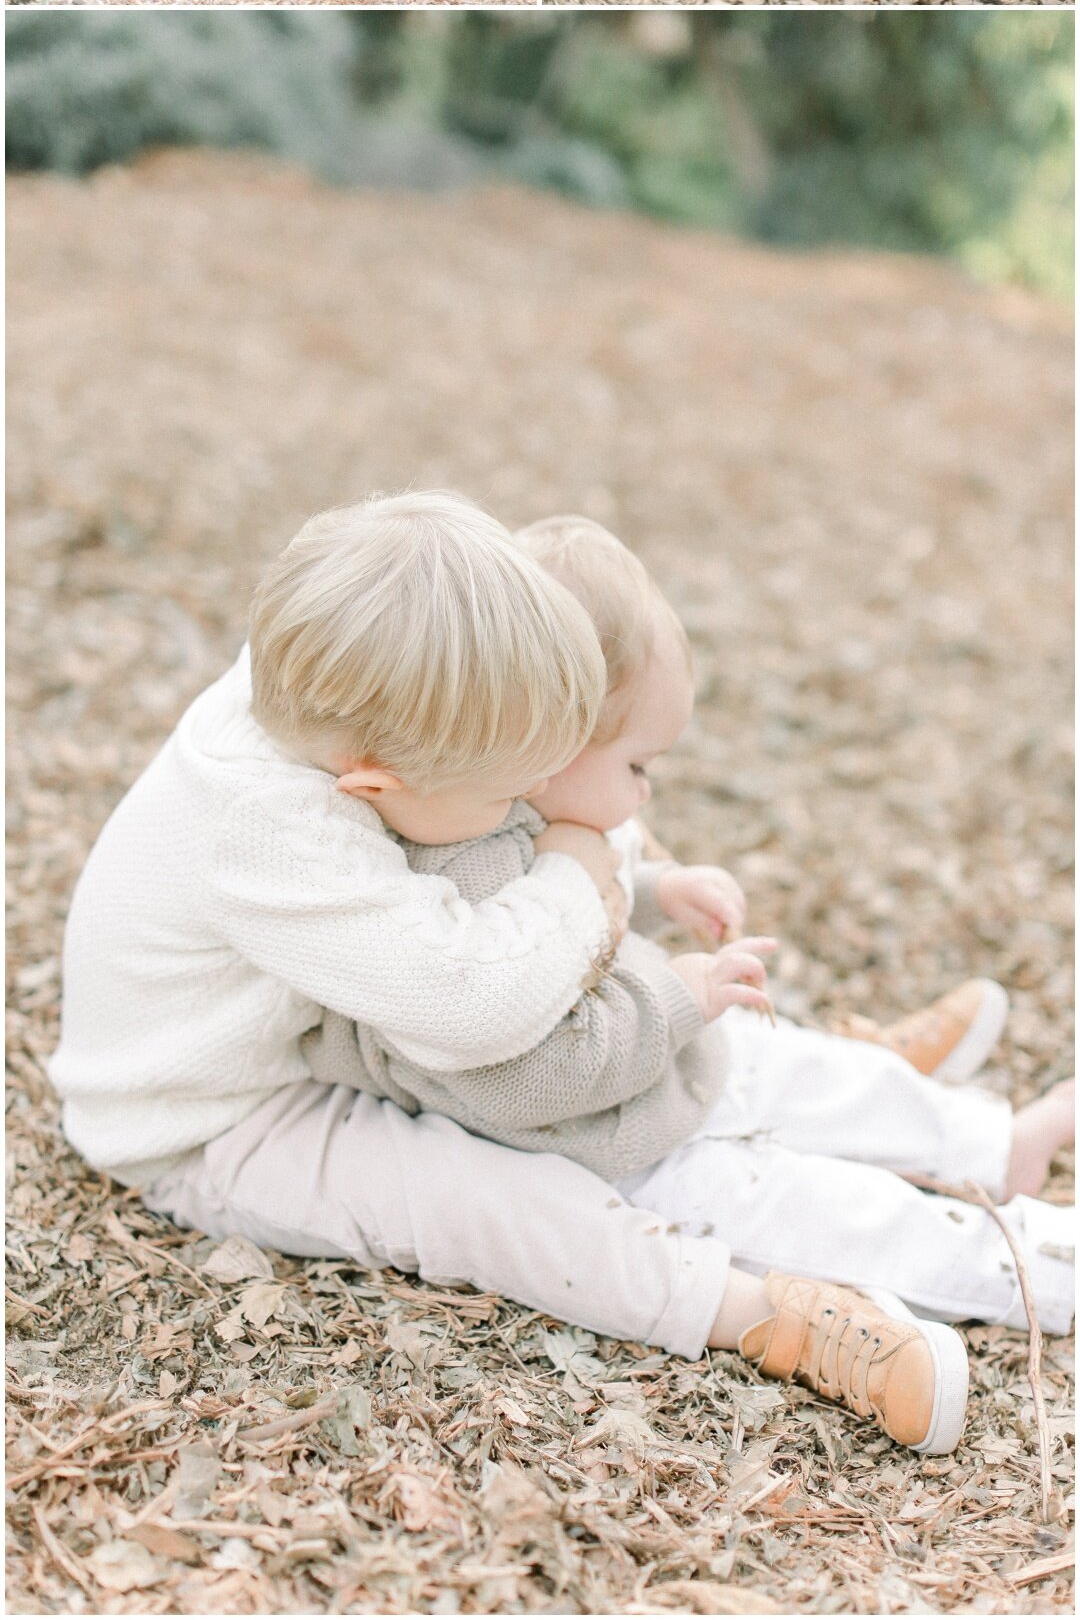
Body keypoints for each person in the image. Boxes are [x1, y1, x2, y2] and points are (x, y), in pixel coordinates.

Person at [53, 488, 1030, 1460]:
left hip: (319, 1037)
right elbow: (476, 1005)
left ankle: (851, 1091)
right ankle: (757, 1313)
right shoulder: (275, 836)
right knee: (470, 1195)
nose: (531, 804)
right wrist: (578, 867)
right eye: (510, 793)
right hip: (217, 1120)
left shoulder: (342, 689)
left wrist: (630, 881)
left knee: (599, 994)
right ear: (374, 784)